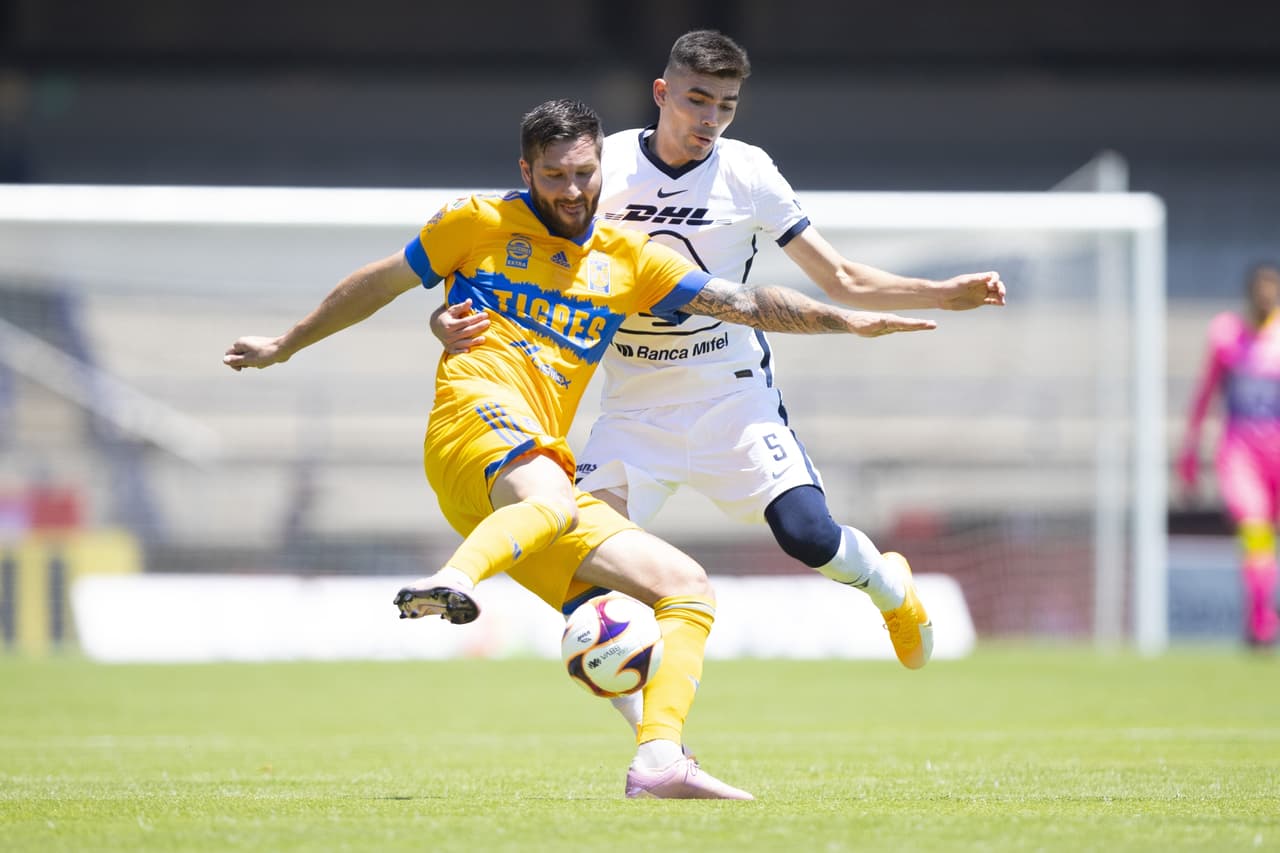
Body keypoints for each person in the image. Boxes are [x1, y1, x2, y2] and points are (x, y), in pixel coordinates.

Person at [223, 98, 941, 799]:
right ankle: (456, 581)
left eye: (584, 174)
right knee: (556, 496)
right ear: (526, 170)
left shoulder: (629, 259)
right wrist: (285, 344)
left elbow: (745, 304)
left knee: (684, 587)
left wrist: (848, 322)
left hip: (524, 490)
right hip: (477, 425)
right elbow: (379, 281)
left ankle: (659, 758)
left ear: (601, 166)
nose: (572, 190)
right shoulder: (475, 222)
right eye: (555, 176)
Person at [433, 29, 1005, 714]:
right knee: (584, 571)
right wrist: (444, 320)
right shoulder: (602, 166)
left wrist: (942, 292)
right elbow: (506, 246)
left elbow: (842, 276)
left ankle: (889, 587)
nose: (709, 119)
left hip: (728, 397)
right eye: (697, 99)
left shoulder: (748, 173)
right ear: (662, 92)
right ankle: (655, 741)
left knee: (810, 537)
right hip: (634, 407)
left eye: (725, 106)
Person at [1178, 262, 1280, 648]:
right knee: (1256, 533)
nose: (1266, 297)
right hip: (1242, 455)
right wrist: (1189, 452)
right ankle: (1259, 624)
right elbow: (1204, 395)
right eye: (1261, 290)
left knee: (1265, 544)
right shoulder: (1226, 337)